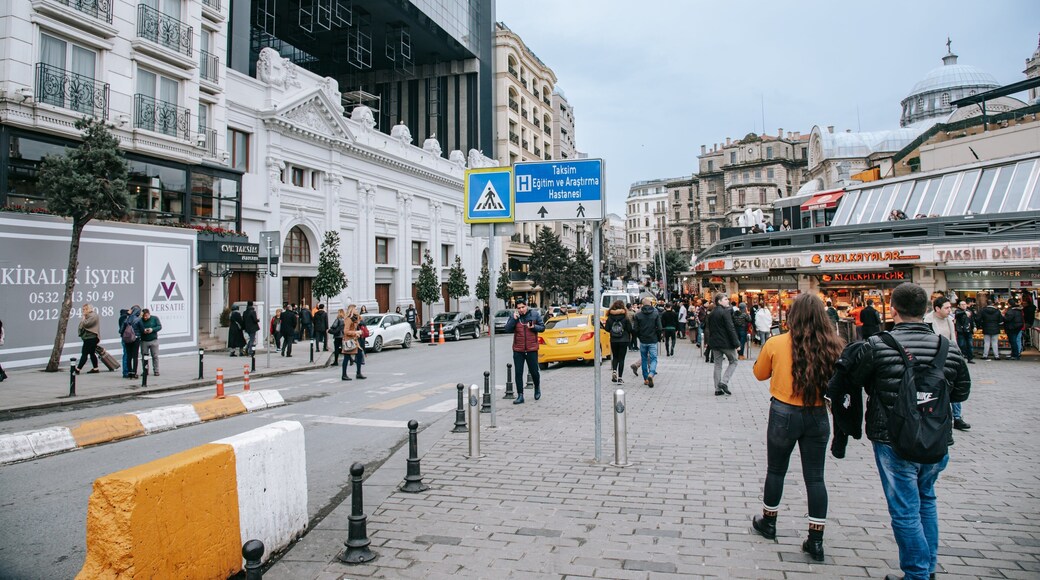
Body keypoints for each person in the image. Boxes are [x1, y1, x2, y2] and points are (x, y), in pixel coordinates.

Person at [837, 282, 970, 580]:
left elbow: (855, 381)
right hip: (935, 437)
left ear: (893, 309)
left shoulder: (877, 345)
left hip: (892, 438)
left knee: (905, 510)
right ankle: (928, 568)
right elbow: (961, 392)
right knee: (927, 499)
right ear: (926, 310)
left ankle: (917, 573)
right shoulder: (948, 348)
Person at [751, 293, 843, 561]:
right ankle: (816, 539)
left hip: (783, 413)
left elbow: (759, 373)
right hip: (817, 414)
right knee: (815, 478)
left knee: (776, 470)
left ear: (793, 317)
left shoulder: (776, 342)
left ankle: (769, 521)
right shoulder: (833, 346)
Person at [926, 296, 970, 431]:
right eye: (946, 308)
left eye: (950, 307)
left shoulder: (950, 320)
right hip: (936, 360)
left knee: (954, 385)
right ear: (937, 309)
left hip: (950, 357)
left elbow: (953, 339)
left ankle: (957, 417)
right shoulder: (928, 321)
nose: (950, 310)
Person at [503, 298, 544, 404]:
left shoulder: (534, 314)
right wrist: (514, 319)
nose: (521, 310)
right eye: (519, 308)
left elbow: (542, 328)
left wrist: (534, 327)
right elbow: (507, 329)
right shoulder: (514, 316)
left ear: (526, 306)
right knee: (518, 373)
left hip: (531, 348)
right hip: (518, 349)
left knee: (534, 371)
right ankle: (520, 395)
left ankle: (537, 387)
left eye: (523, 307)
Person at [707, 294, 739, 395]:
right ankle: (724, 382)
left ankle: (717, 389)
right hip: (726, 342)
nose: (727, 301)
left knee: (717, 365)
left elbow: (709, 328)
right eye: (725, 299)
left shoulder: (711, 313)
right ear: (719, 301)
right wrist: (736, 343)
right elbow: (730, 328)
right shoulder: (725, 312)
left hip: (715, 343)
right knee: (734, 361)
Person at [629, 297, 663, 387]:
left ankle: (645, 379)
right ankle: (651, 373)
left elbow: (635, 329)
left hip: (643, 340)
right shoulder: (655, 314)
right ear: (651, 304)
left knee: (644, 359)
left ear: (642, 305)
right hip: (653, 339)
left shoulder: (638, 315)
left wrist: (639, 337)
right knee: (653, 359)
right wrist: (658, 337)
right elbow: (659, 328)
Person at [605, 300, 633, 383]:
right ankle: (620, 378)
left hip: (614, 340)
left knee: (615, 357)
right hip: (624, 340)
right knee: (621, 359)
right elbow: (630, 329)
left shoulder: (610, 317)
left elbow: (607, 328)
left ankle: (614, 371)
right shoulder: (625, 317)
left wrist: (612, 331)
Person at [76, 304, 101, 374]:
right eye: (83, 309)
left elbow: (86, 324)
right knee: (92, 353)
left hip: (90, 338)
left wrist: (83, 318)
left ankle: (78, 369)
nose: (83, 311)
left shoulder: (93, 316)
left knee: (84, 353)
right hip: (90, 338)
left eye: (84, 309)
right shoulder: (90, 316)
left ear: (88, 309)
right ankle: (95, 368)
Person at [978, 295, 1004, 360]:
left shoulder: (983, 310)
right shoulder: (997, 311)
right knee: (995, 342)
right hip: (995, 328)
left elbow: (978, 319)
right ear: (993, 304)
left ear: (987, 304)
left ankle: (985, 355)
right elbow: (1001, 321)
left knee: (986, 342)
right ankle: (996, 356)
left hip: (986, 327)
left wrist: (981, 324)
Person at [340, 305, 362, 381]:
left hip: (354, 340)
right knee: (346, 357)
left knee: (359, 354)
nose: (357, 310)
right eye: (355, 309)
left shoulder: (354, 318)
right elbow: (346, 331)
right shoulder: (348, 319)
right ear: (352, 310)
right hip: (349, 341)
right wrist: (355, 332)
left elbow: (359, 322)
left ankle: (358, 373)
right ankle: (344, 375)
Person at [120, 306, 141, 379]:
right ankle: (134, 372)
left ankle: (129, 372)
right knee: (135, 357)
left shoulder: (126, 319)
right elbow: (142, 329)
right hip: (136, 339)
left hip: (127, 340)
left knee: (128, 356)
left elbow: (121, 330)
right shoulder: (138, 320)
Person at [139, 308, 161, 376]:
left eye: (146, 316)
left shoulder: (155, 318)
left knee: (155, 356)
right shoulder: (140, 320)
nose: (145, 317)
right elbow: (138, 328)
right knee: (144, 357)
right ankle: (145, 371)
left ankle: (156, 370)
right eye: (144, 316)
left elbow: (159, 326)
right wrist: (143, 331)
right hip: (144, 341)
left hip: (154, 340)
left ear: (149, 314)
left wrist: (152, 329)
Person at [953, 300, 975, 365]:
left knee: (970, 345)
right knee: (961, 345)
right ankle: (961, 358)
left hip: (968, 330)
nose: (964, 306)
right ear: (959, 306)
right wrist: (964, 312)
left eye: (964, 304)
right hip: (961, 330)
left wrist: (974, 326)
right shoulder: (958, 311)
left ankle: (970, 358)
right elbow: (957, 314)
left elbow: (972, 320)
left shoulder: (969, 311)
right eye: (962, 304)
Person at [354, 313, 368, 380]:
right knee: (347, 356)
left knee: (359, 355)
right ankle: (358, 373)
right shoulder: (354, 323)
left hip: (359, 341)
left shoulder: (360, 324)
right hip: (356, 341)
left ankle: (358, 372)